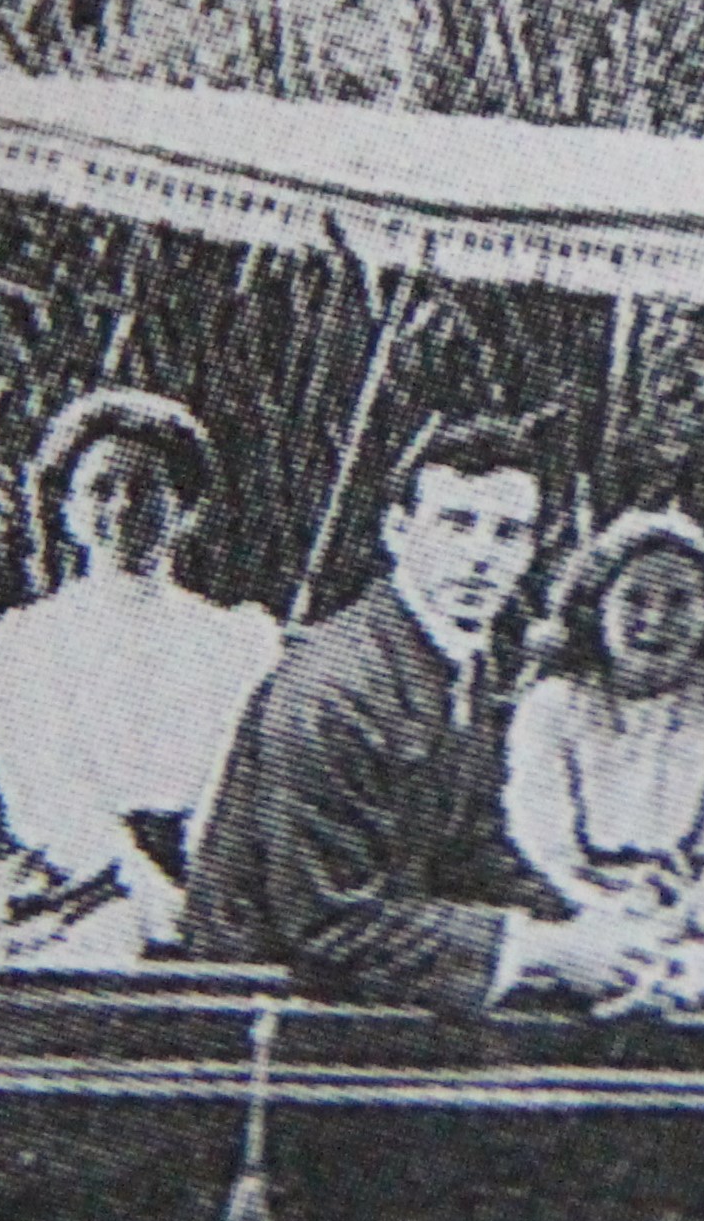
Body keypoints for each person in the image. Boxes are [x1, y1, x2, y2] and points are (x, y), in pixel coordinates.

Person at [181, 414, 668, 1013]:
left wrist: (591, 923)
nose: (480, 557)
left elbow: (473, 852)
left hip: (372, 994)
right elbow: (327, 926)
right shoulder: (335, 687)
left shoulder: (463, 665)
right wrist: (543, 948)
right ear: (398, 530)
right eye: (457, 524)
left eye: (508, 533)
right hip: (258, 1019)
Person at [0, 389, 284, 966]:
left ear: (187, 510)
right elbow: (41, 792)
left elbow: (247, 784)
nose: (122, 508)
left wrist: (206, 889)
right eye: (101, 489)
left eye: (147, 490)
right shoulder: (28, 639)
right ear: (67, 508)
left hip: (217, 879)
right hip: (81, 879)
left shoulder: (239, 639)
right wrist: (138, 883)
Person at [503, 512, 704, 998]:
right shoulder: (553, 705)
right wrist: (606, 906)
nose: (655, 621)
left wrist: (684, 917)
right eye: (634, 599)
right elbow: (544, 847)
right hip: (580, 908)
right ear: (595, 605)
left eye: (679, 601)